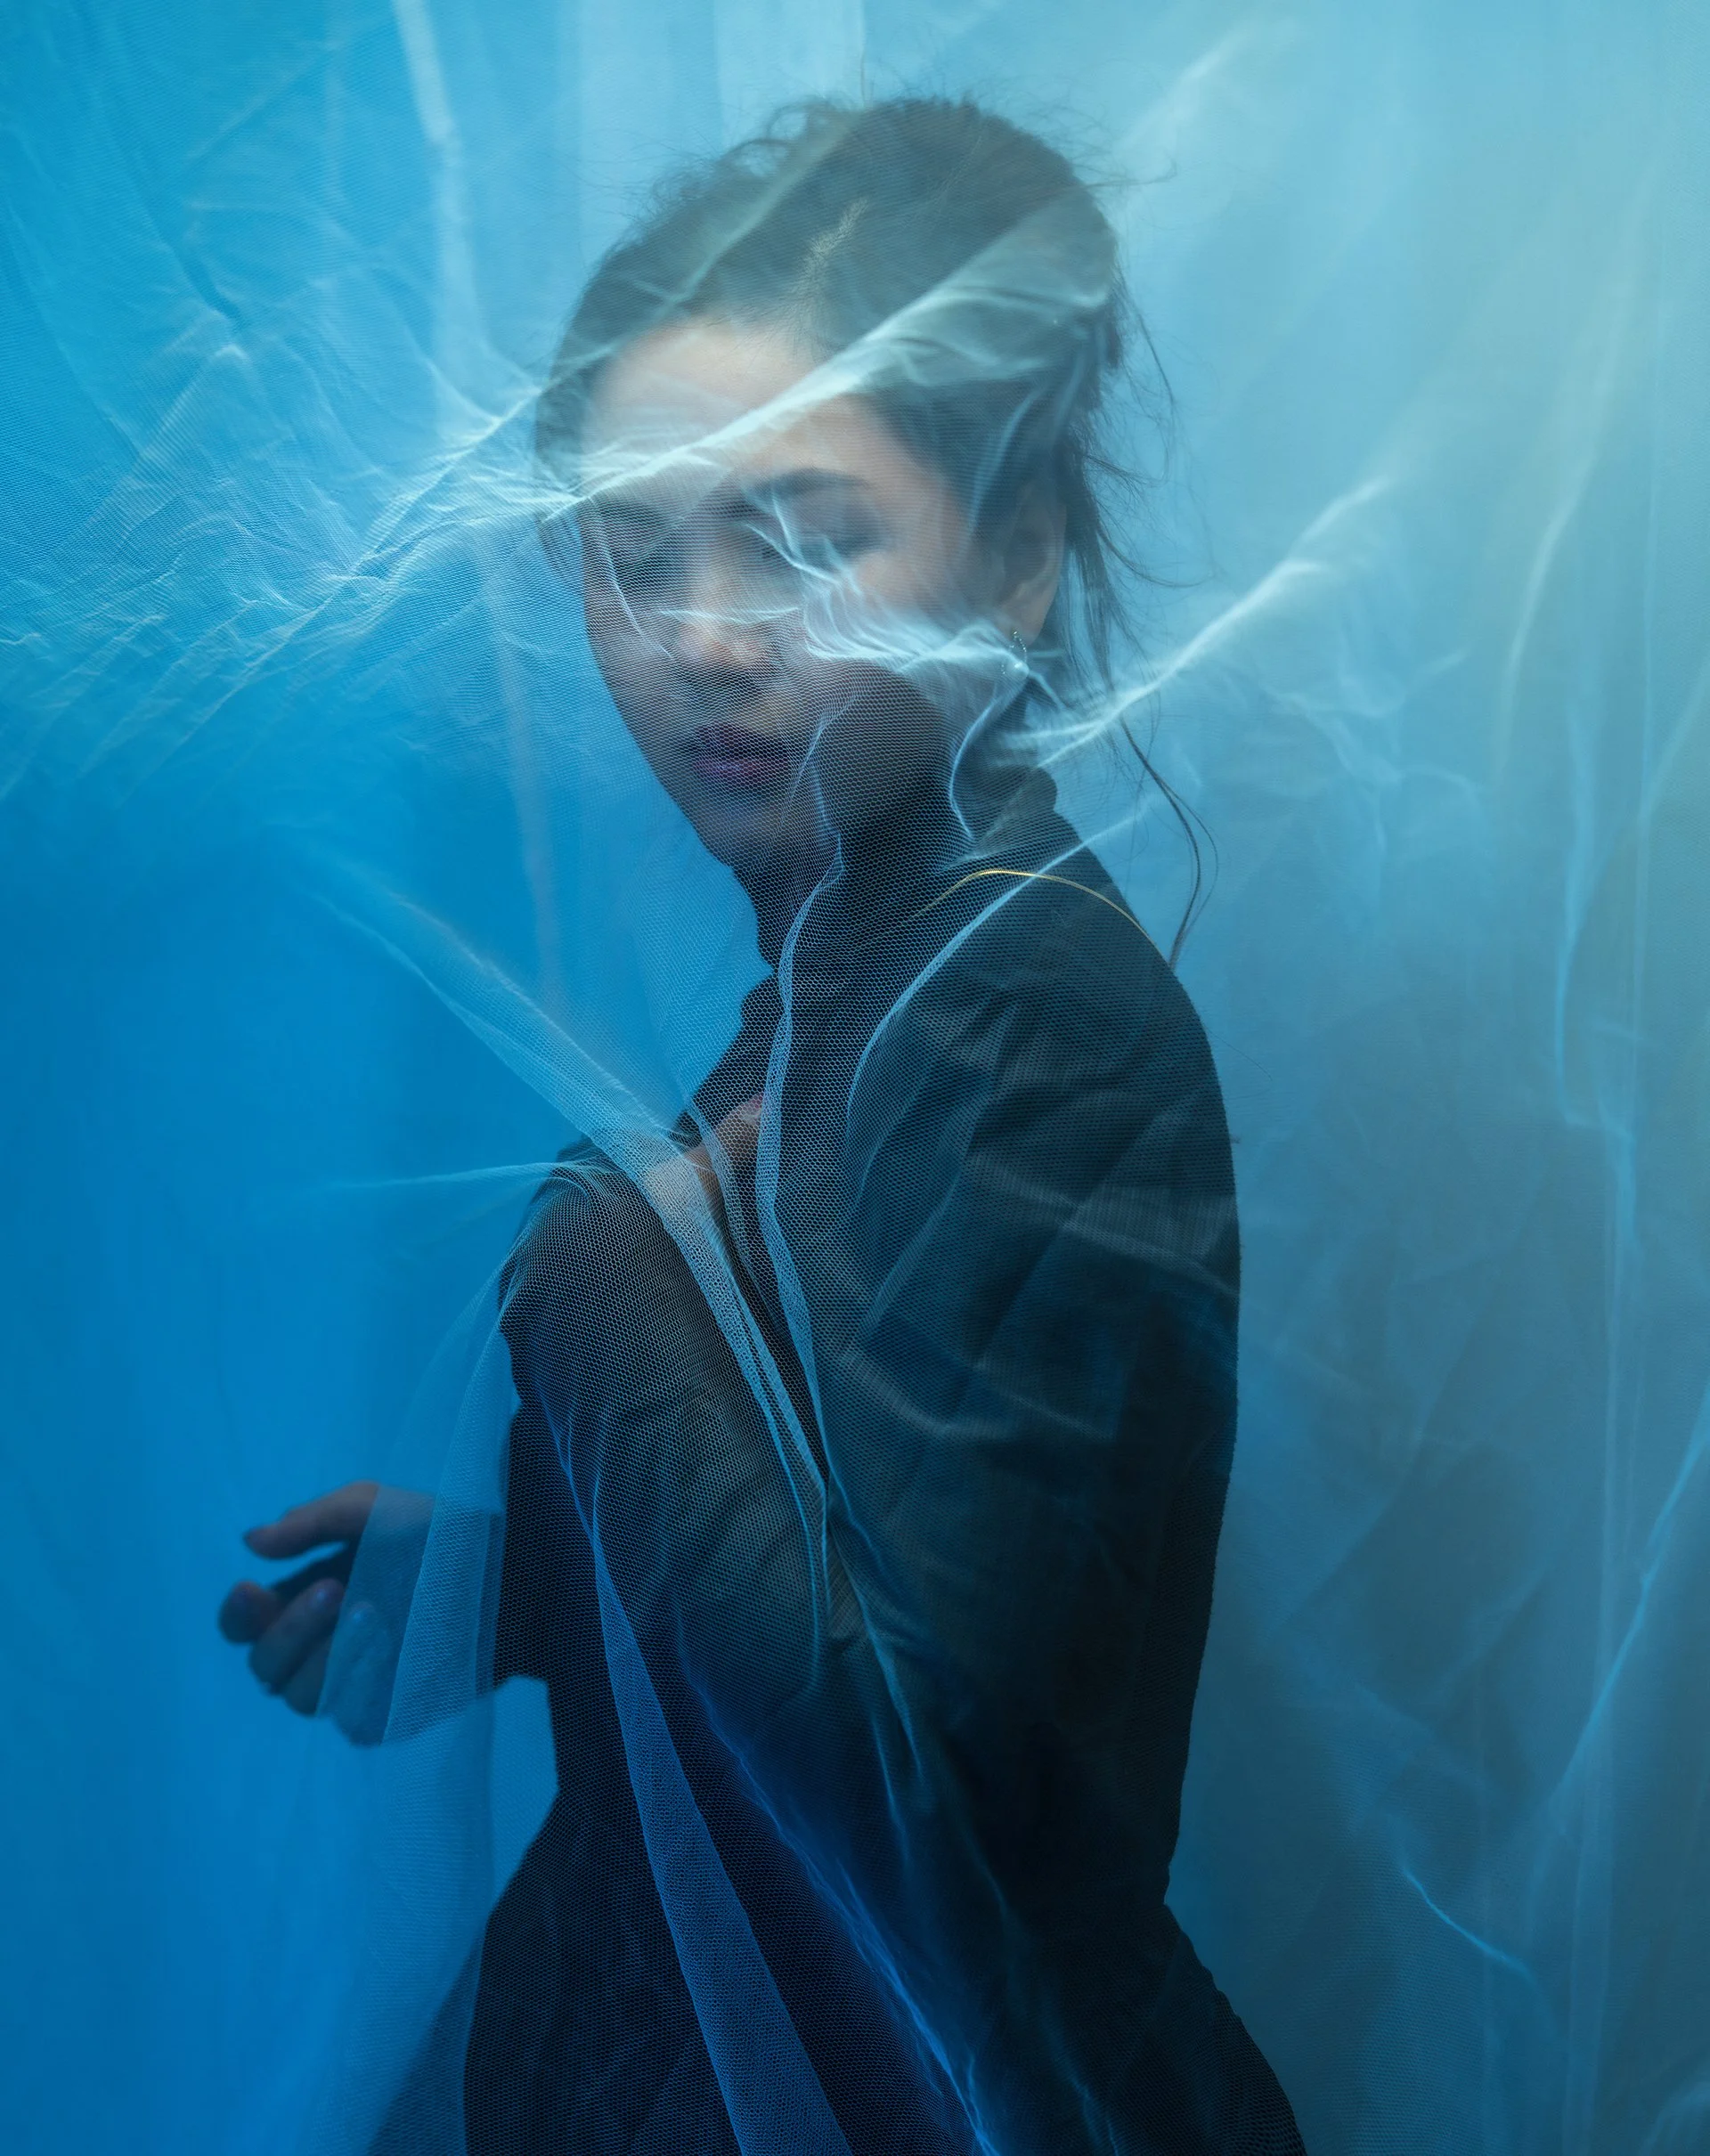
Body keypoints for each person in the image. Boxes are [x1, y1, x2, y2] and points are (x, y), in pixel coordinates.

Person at [219, 96, 1306, 2155]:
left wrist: (592, 1266)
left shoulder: (1021, 1017)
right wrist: (508, 1596)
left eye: (807, 541)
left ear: (1017, 557)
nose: (705, 636)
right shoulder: (854, 973)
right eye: (636, 555)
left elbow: (932, 1786)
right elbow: (861, 1534)